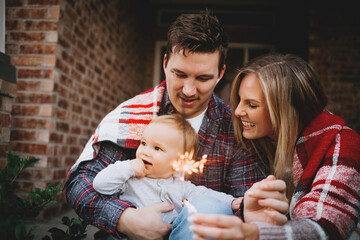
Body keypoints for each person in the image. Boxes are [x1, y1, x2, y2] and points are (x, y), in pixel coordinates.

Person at [65, 10, 279, 239]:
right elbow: (81, 184)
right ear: (165, 63)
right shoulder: (134, 114)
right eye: (179, 74)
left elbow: (246, 203)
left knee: (210, 206)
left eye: (203, 78)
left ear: (220, 74)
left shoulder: (233, 128)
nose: (188, 90)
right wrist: (125, 218)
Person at [188, 52, 360, 240]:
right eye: (239, 100)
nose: (237, 111)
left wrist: (256, 233)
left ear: (286, 109)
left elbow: (324, 228)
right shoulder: (259, 141)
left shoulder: (341, 144)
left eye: (252, 105)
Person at [93, 114, 242, 226]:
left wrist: (231, 201)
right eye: (143, 143)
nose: (145, 151)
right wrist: (128, 167)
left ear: (178, 161)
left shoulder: (181, 187)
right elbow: (100, 184)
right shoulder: (131, 179)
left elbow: (206, 195)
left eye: (157, 148)